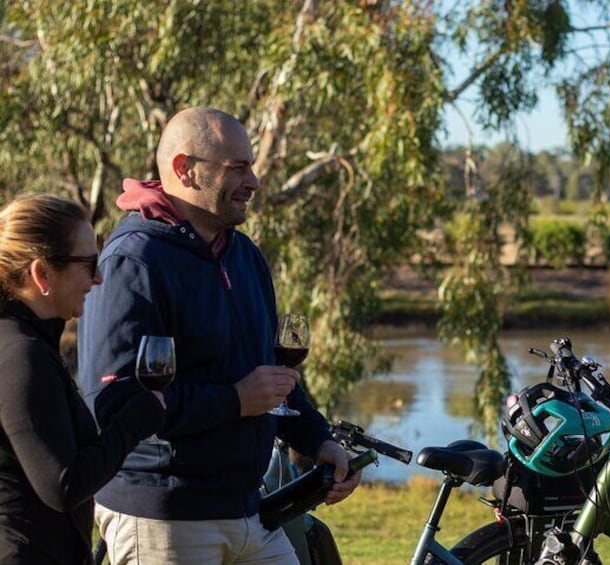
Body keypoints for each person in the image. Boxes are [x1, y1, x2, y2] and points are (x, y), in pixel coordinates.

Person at [77, 107, 360, 565]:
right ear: (184, 169)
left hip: (249, 511)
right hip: (165, 517)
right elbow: (113, 404)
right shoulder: (135, 261)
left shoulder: (244, 256)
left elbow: (272, 377)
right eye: (238, 167)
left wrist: (318, 440)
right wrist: (233, 400)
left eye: (251, 165)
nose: (254, 181)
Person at [0, 194, 166, 564]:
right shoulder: (21, 356)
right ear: (42, 274)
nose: (99, 276)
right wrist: (133, 424)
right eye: (88, 263)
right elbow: (63, 483)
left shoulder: (24, 344)